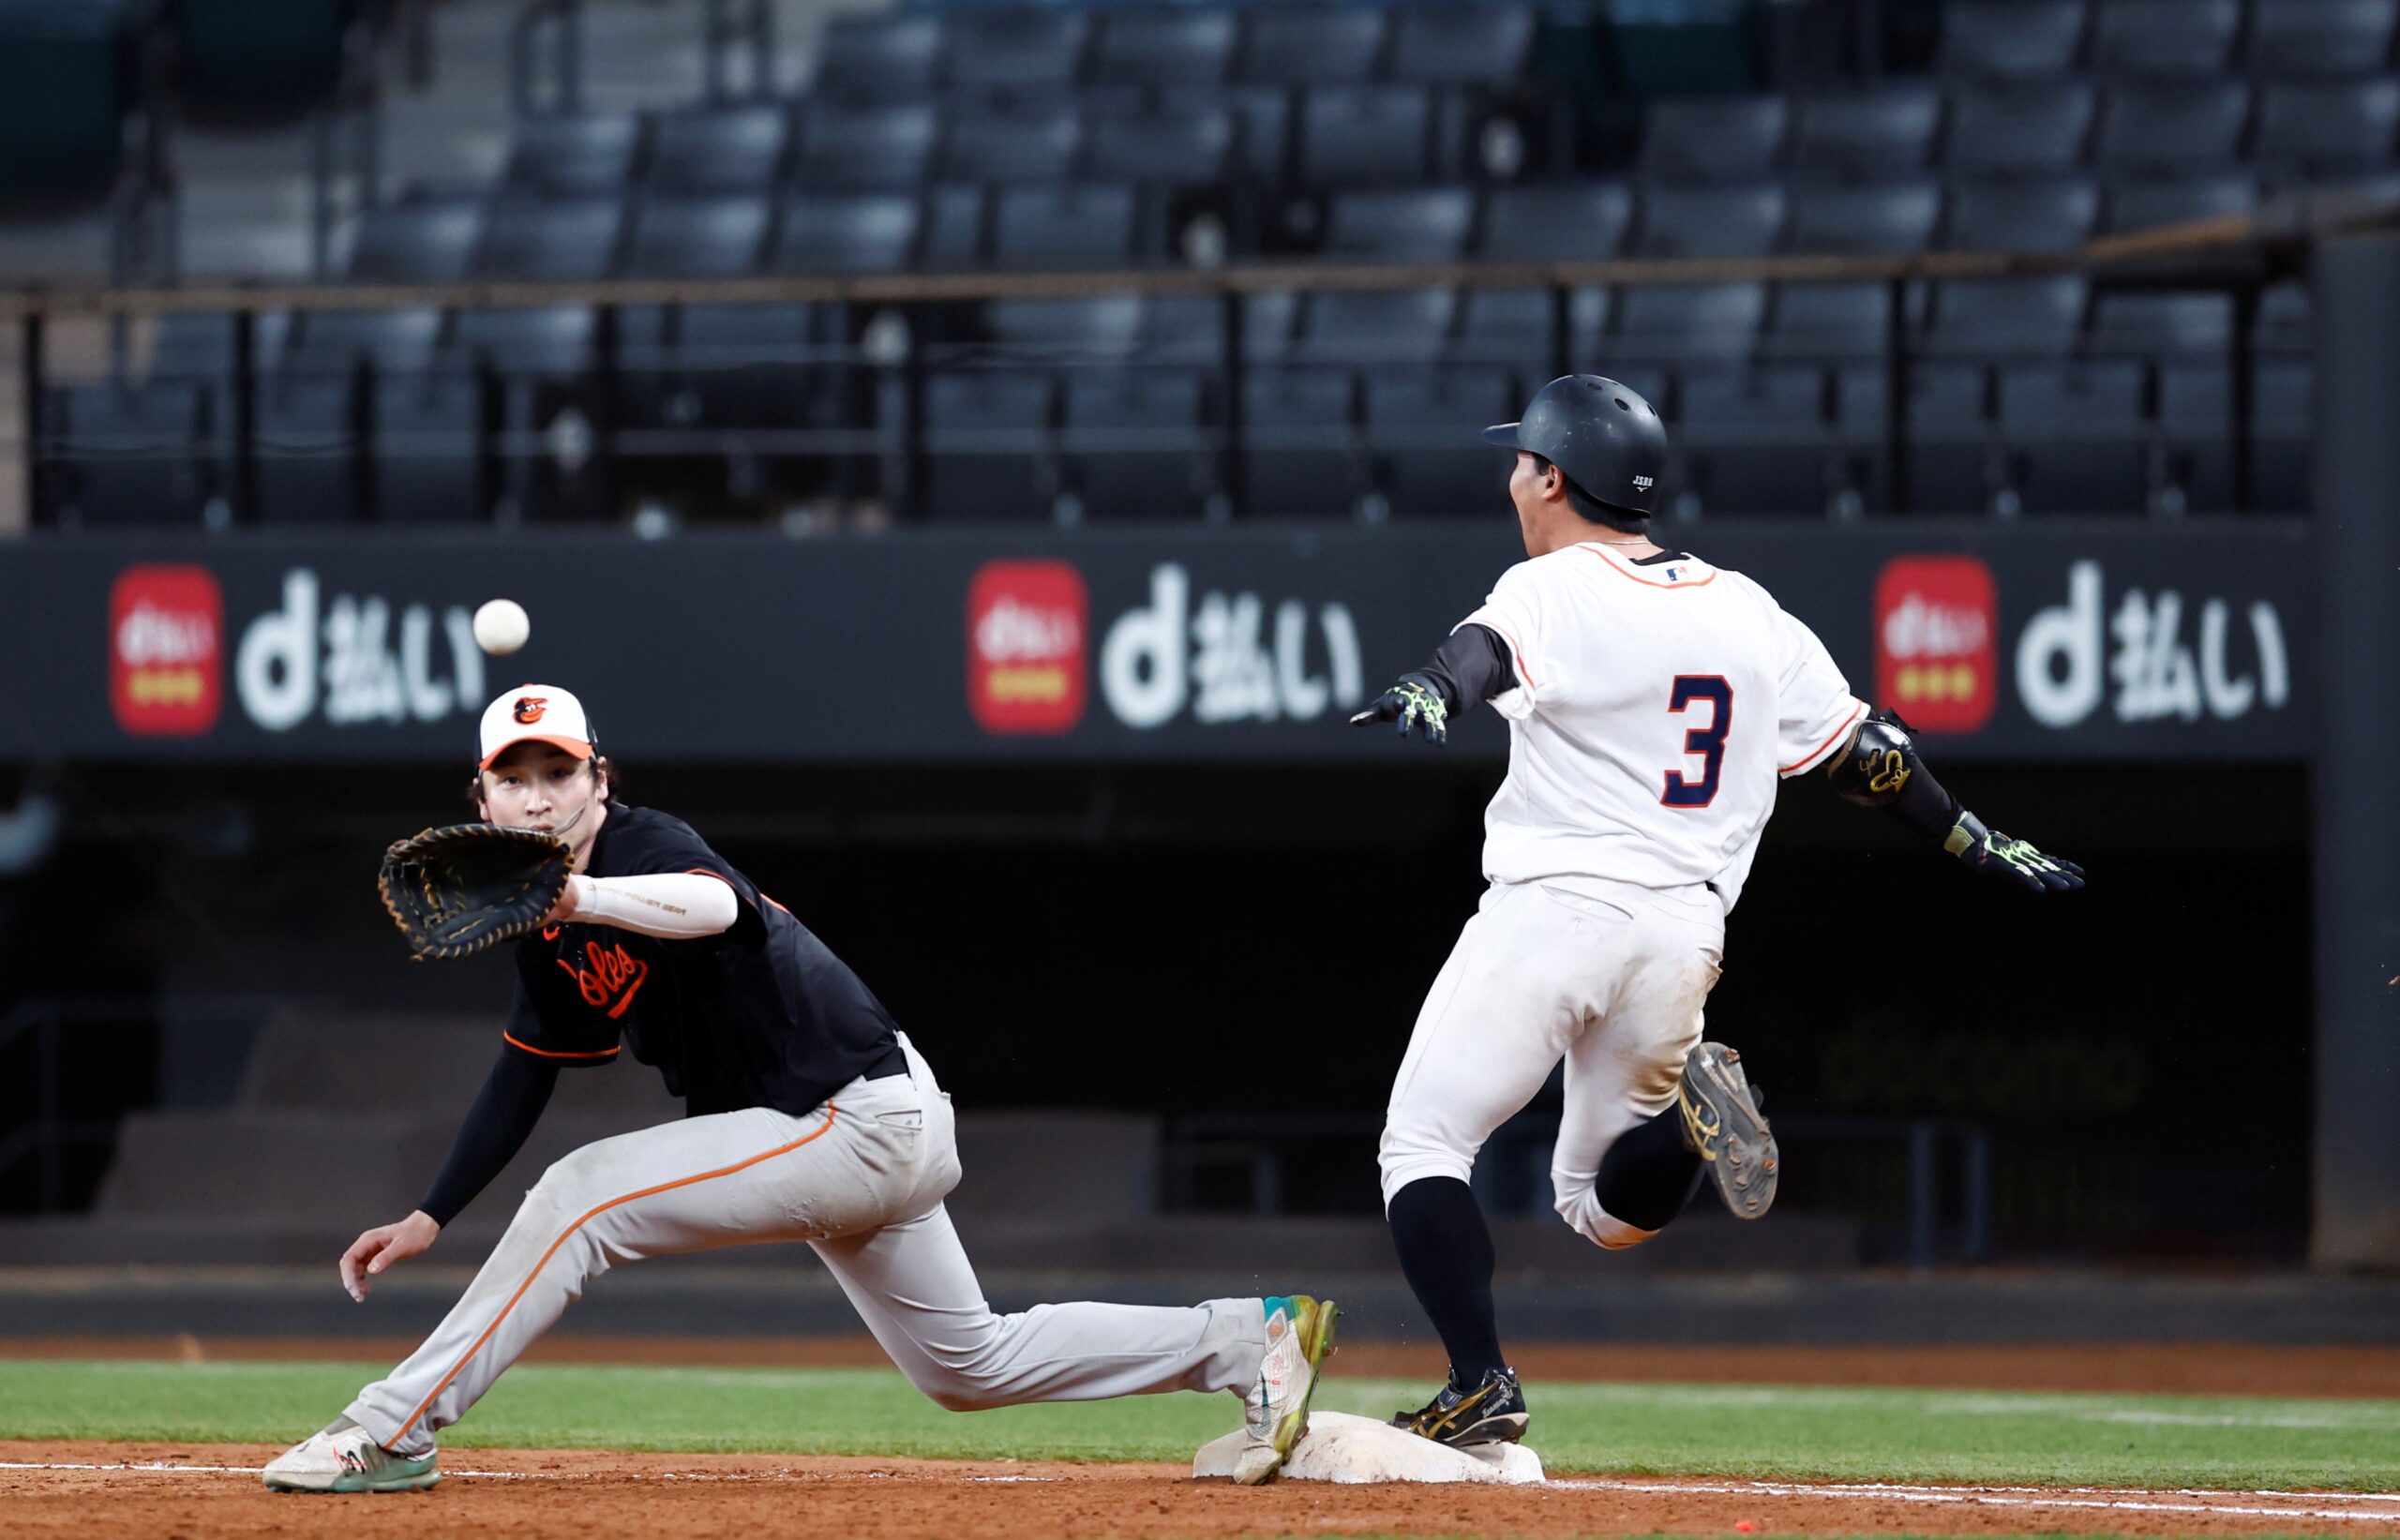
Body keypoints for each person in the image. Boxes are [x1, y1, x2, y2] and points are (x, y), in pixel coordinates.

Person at [263, 684, 1337, 1493]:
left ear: (600, 779)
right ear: (480, 796)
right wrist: (432, 1211)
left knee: (580, 1193)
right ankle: (1249, 1340)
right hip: (855, 1121)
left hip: (853, 1112)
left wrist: (580, 894)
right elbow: (526, 1068)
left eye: (559, 771)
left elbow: (716, 909)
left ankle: (391, 1427)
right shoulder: (543, 930)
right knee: (967, 1365)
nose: (538, 795)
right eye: (514, 777)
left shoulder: (643, 845)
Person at [1351, 376, 2081, 1450]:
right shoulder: (1745, 607)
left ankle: (1480, 1380)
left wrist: (1429, 685)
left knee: (1422, 1142)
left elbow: (1483, 653)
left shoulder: (1551, 585)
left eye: (1521, 461)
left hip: (1555, 910)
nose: (1512, 478)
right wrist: (1968, 832)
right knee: (1599, 1211)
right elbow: (1863, 754)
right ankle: (1688, 1120)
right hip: (1683, 933)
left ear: (1551, 479)